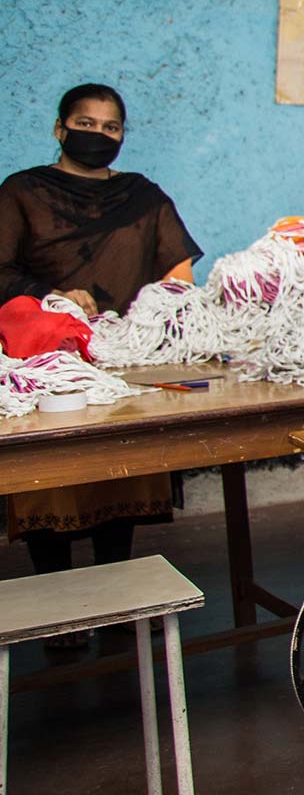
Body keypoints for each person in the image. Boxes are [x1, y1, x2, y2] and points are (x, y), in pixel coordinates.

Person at [0, 84, 201, 643]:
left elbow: (178, 272)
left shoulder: (143, 196)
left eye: (111, 128)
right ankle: (56, 612)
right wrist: (57, 296)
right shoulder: (22, 191)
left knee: (123, 472)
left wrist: (160, 313)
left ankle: (116, 603)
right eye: (86, 124)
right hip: (49, 357)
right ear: (60, 128)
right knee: (53, 476)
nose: (98, 135)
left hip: (123, 357)